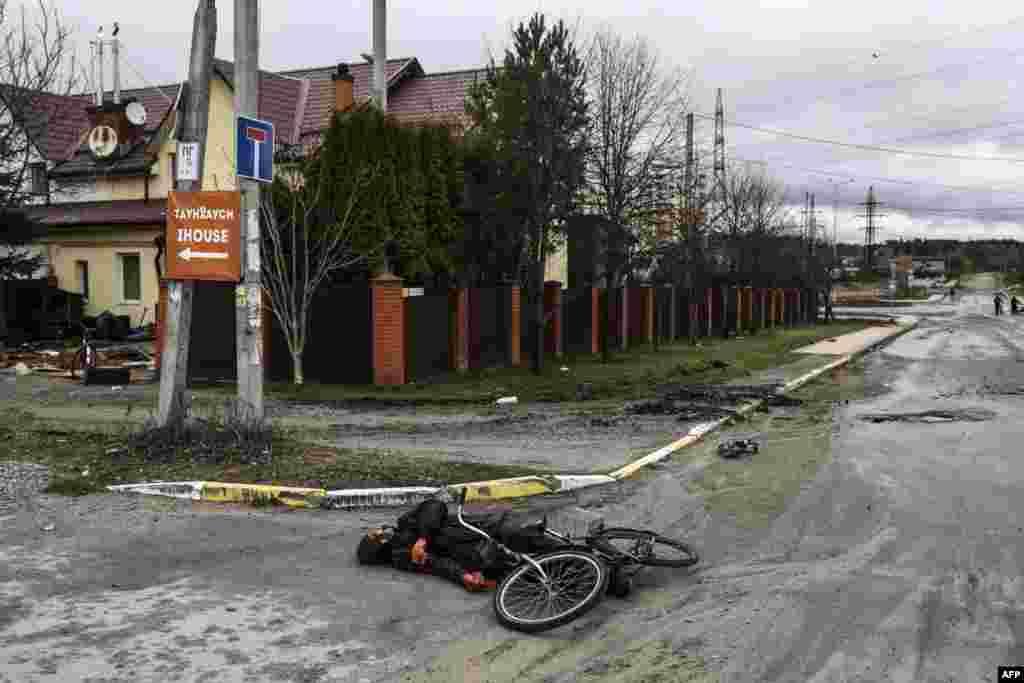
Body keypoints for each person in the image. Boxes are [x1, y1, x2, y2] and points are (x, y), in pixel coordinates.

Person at [357, 499, 559, 592]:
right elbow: (438, 566)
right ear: (380, 545)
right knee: (523, 579)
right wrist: (464, 577)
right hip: (476, 558)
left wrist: (423, 538)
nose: (382, 529)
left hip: (484, 529)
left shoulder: (407, 522)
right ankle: (579, 579)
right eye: (378, 535)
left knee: (520, 535)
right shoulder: (402, 557)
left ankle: (581, 554)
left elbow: (435, 506)